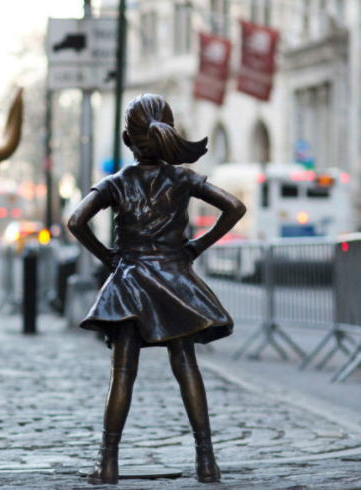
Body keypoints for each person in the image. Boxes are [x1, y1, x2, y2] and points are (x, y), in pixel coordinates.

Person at [67, 94, 246, 485]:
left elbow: (76, 221)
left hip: (129, 282)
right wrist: (196, 246)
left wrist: (109, 257)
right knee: (186, 367)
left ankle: (108, 463)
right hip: (174, 280)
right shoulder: (182, 179)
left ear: (126, 139)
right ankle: (207, 462)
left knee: (123, 373)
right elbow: (234, 207)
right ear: (167, 133)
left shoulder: (116, 183)